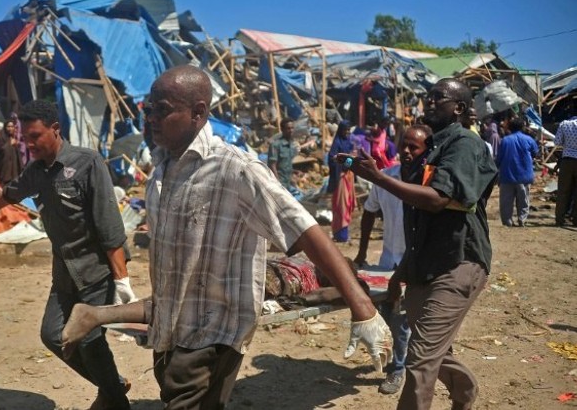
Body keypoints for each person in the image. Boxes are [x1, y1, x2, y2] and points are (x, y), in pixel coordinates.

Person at [59, 66, 390, 409]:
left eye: (163, 110)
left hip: (212, 335)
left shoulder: (236, 169)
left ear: (198, 112)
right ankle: (97, 314)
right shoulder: (161, 170)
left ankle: (97, 315)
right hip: (168, 330)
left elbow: (304, 228)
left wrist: (363, 308)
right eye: (150, 110)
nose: (152, 119)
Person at [343, 78, 497, 410]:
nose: (428, 102)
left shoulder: (464, 145)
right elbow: (421, 220)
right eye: (427, 97)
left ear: (458, 108)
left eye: (437, 98)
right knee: (431, 352)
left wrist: (380, 177)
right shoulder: (432, 150)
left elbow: (437, 200)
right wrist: (402, 270)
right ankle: (465, 390)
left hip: (458, 263)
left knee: (420, 358)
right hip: (424, 264)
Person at [0, 100, 135, 409]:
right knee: (53, 335)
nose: (29, 144)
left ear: (55, 129)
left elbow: (109, 225)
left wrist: (122, 280)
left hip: (95, 272)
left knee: (89, 339)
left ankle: (115, 401)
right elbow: (13, 191)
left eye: (35, 136)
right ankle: (112, 385)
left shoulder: (87, 163)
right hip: (64, 274)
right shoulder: (36, 171)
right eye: (26, 138)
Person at [353, 124, 431, 395]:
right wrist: (362, 252)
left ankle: (398, 370)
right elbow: (369, 213)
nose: (408, 151)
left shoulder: (431, 183)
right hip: (389, 261)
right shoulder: (385, 178)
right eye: (405, 145)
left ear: (427, 150)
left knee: (402, 320)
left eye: (415, 147)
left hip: (419, 263)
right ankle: (397, 364)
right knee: (388, 316)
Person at [496, 117, 538, 227]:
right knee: (523, 199)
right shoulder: (529, 140)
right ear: (523, 127)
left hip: (507, 175)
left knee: (506, 201)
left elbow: (499, 158)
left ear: (510, 127)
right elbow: (535, 153)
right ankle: (522, 219)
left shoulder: (505, 140)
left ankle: (507, 221)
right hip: (524, 175)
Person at [328, 120, 356, 242]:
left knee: (348, 204)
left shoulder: (349, 143)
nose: (347, 132)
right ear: (340, 130)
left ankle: (344, 233)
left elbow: (352, 158)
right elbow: (332, 159)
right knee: (341, 205)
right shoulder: (336, 144)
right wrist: (344, 162)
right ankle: (340, 234)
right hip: (340, 178)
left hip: (349, 177)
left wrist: (350, 161)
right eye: (345, 130)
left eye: (349, 130)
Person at [555, 108, 577, 227]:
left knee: (563, 191)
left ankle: (560, 219)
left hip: (567, 160)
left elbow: (557, 142)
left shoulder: (564, 124)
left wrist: (568, 145)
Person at [268, 118, 298, 191]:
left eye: (292, 128)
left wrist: (293, 174)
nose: (291, 130)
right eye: (288, 128)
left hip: (287, 182)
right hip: (279, 183)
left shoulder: (290, 145)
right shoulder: (275, 145)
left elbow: (287, 163)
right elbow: (272, 165)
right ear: (282, 129)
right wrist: (278, 182)